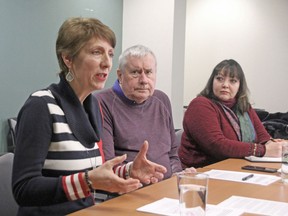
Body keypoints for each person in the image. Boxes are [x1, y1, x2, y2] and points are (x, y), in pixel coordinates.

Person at [12, 17, 167, 215]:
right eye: (96, 52)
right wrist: (87, 182)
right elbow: (23, 189)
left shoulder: (92, 105)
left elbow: (94, 173)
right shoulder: (41, 106)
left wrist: (127, 171)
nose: (107, 63)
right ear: (68, 58)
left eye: (110, 54)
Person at [94, 44, 185, 180]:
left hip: (165, 187)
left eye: (148, 72)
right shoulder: (101, 102)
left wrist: (177, 175)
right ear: (120, 75)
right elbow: (107, 164)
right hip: (129, 188)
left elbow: (172, 154)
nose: (143, 80)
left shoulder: (162, 99)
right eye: (135, 72)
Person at [178, 59, 283, 168]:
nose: (225, 85)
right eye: (220, 79)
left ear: (239, 86)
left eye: (232, 81)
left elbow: (263, 137)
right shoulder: (200, 105)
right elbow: (217, 145)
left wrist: (275, 145)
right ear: (212, 81)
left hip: (237, 169)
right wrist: (262, 150)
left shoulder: (244, 106)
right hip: (202, 172)